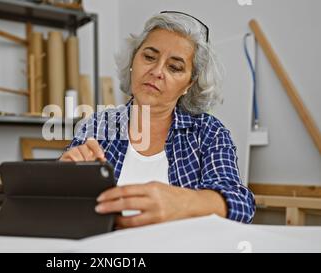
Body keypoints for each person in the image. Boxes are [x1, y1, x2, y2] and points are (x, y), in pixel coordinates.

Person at [60, 11, 255, 228]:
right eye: (149, 57)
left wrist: (186, 203)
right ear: (133, 60)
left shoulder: (209, 132)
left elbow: (241, 204)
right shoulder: (97, 126)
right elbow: (58, 204)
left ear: (189, 85)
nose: (157, 71)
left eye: (175, 67)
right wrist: (62, 178)